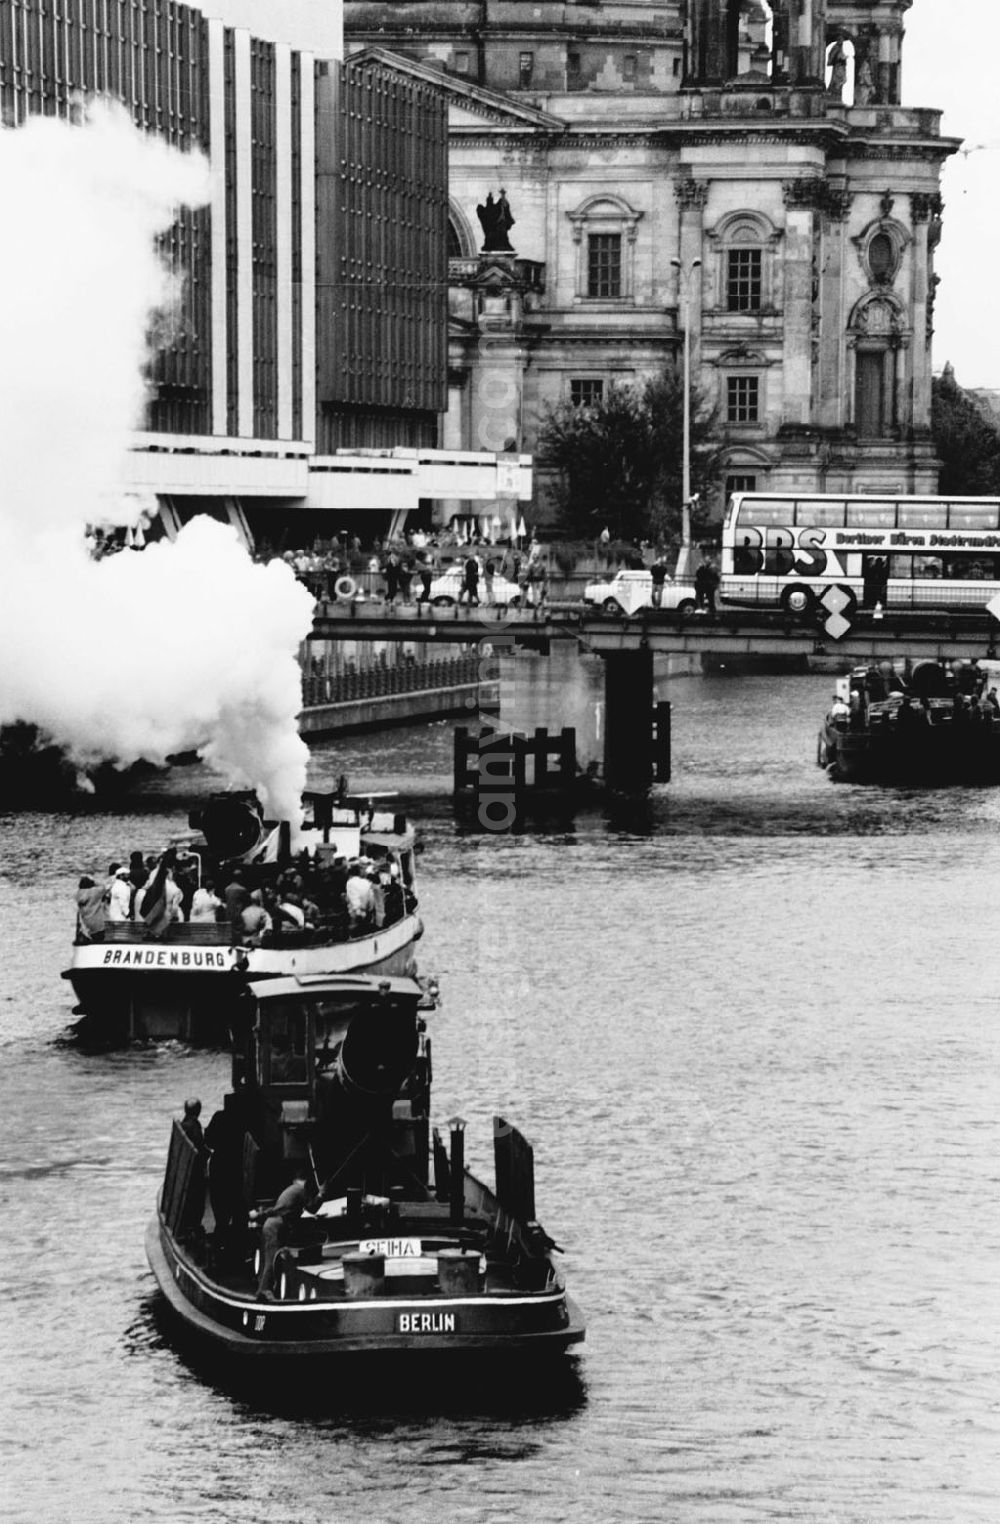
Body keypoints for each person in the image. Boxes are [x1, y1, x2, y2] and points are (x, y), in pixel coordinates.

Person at [253, 1167, 312, 1301]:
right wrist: (321, 1195)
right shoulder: (300, 1190)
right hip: (276, 1226)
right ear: (306, 1181)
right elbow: (312, 1208)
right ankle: (263, 1293)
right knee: (272, 1260)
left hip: (272, 1224)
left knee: (271, 1258)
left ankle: (265, 1289)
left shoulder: (290, 1189)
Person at [75, 876, 106, 941]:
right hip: (97, 923)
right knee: (99, 940)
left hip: (86, 924)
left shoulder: (78, 894)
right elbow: (104, 887)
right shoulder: (94, 892)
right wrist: (94, 882)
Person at [224, 869, 250, 943]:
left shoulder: (227, 889)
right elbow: (247, 902)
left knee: (229, 935)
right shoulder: (242, 890)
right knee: (238, 935)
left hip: (228, 914)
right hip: (238, 914)